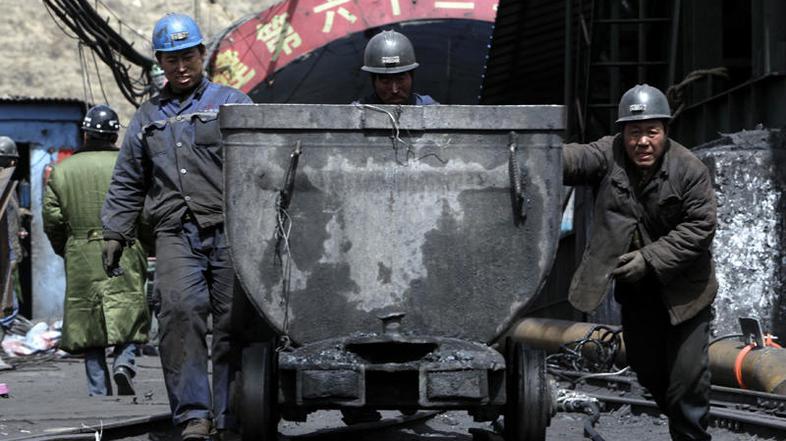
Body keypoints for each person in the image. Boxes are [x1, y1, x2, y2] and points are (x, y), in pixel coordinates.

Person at [100, 12, 252, 441]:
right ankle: (193, 416)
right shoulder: (147, 116)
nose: (181, 66)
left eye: (188, 56)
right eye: (171, 59)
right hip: (174, 233)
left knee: (231, 325)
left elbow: (262, 165)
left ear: (203, 55)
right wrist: (115, 231)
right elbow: (129, 177)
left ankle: (230, 415)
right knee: (180, 316)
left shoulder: (234, 104)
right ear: (160, 64)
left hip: (232, 233)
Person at [563, 84, 717, 440]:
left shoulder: (689, 170)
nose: (642, 142)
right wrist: (536, 151)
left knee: (687, 380)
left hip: (686, 295)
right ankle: (682, 420)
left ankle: (690, 435)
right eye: (634, 133)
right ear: (623, 134)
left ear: (665, 132)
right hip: (638, 295)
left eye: (651, 132)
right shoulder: (609, 154)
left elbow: (701, 226)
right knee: (647, 372)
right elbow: (577, 158)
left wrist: (649, 259)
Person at [42, 105, 150, 396]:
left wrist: (66, 250)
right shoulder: (130, 166)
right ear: (115, 134)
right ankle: (124, 363)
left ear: (85, 134)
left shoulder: (60, 171)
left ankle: (97, 392)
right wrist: (145, 244)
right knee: (129, 309)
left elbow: (52, 220)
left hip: (80, 250)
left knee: (86, 320)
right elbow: (147, 212)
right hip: (126, 246)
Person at [357, 30, 438, 105]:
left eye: (400, 79)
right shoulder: (358, 111)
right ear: (373, 82)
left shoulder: (429, 108)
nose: (394, 90)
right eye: (385, 82)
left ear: (411, 77)